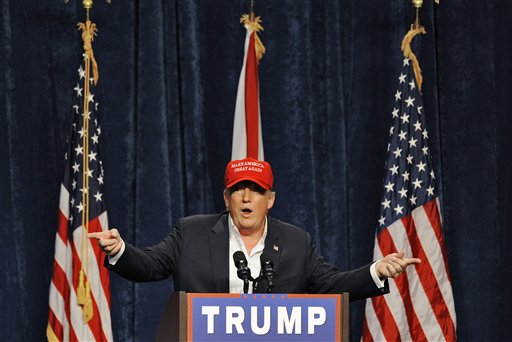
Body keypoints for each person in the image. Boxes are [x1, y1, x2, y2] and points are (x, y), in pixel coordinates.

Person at [88, 157, 420, 300]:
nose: (247, 197)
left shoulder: (295, 241)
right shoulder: (191, 232)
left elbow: (331, 285)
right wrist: (120, 250)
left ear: (270, 199)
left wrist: (377, 270)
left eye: (257, 190)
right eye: (238, 190)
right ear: (227, 197)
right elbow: (150, 265)